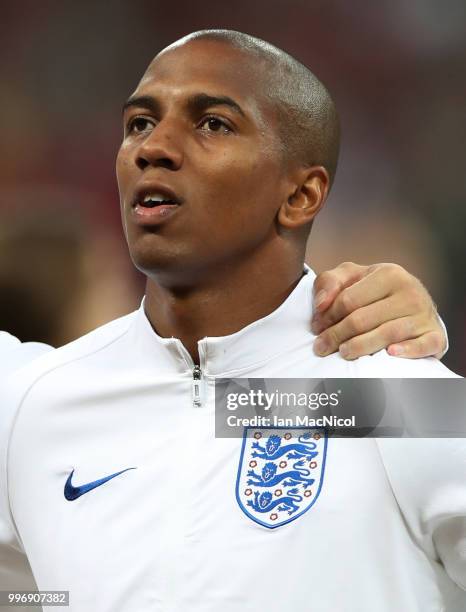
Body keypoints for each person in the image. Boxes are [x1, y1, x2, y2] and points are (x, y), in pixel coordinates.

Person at [1, 29, 464, 612]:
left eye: (212, 124)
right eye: (139, 123)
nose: (154, 147)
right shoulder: (34, 404)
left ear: (301, 195)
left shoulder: (387, 395)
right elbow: (28, 592)